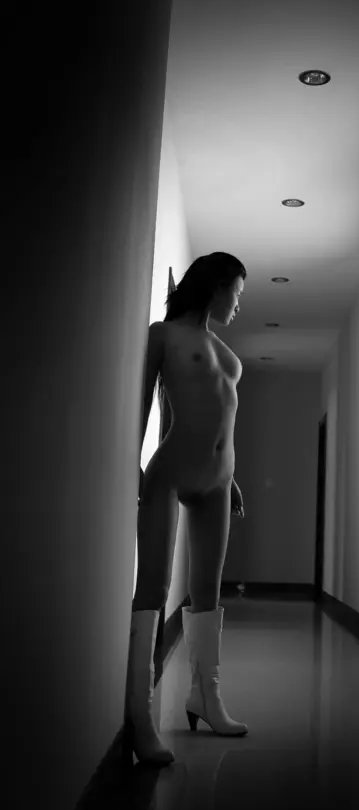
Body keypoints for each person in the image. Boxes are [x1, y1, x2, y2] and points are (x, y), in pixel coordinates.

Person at [125, 252, 248, 765]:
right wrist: (131, 463)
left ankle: (205, 697)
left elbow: (220, 414)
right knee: (153, 588)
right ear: (216, 285)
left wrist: (231, 478)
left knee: (208, 594)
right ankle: (140, 716)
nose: (238, 303)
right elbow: (143, 404)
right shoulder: (164, 335)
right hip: (172, 472)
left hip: (218, 481)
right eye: (237, 291)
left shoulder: (221, 348)